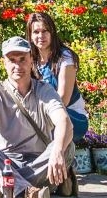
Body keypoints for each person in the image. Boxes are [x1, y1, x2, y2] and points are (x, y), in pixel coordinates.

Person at [0, 36, 74, 198]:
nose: (17, 66)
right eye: (12, 60)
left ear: (31, 60)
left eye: (22, 59)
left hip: (39, 161)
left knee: (67, 146)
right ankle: (28, 192)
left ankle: (4, 188)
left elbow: (64, 121)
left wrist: (57, 152)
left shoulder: (44, 90)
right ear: (4, 64)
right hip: (6, 162)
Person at [27, 11, 89, 142]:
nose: (41, 36)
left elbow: (62, 100)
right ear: (30, 35)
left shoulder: (65, 57)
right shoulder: (30, 59)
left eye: (45, 31)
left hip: (71, 117)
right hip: (42, 116)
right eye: (36, 32)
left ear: (52, 33)